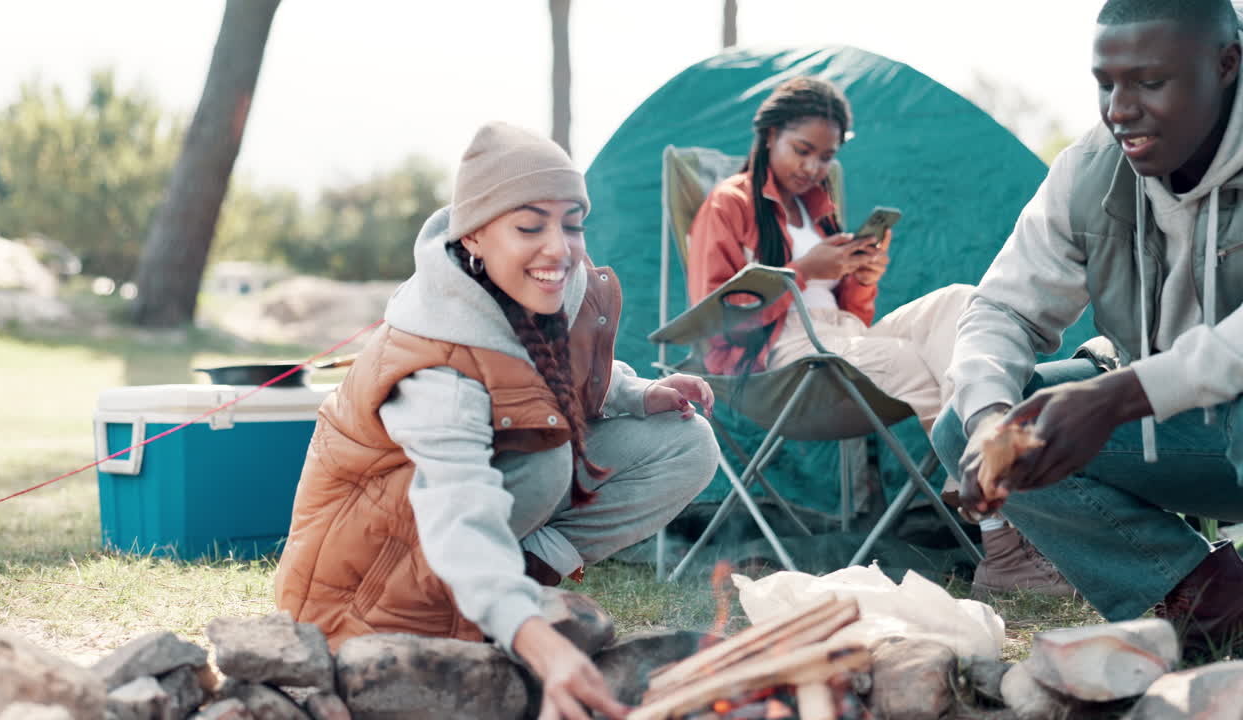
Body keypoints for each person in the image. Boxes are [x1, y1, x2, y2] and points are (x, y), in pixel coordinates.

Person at [274, 121, 720, 718]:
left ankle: (514, 579)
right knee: (543, 459)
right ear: (476, 236)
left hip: (472, 525)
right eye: (530, 226)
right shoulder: (435, 363)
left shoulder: (558, 285)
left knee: (685, 441)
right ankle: (499, 601)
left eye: (572, 223)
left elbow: (552, 376)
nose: (558, 247)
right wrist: (540, 642)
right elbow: (457, 512)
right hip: (369, 595)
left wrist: (639, 394)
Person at [934, 0, 1243, 654]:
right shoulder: (1092, 171)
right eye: (1106, 82)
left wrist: (1114, 397)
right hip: (1198, 437)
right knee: (979, 423)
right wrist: (991, 419)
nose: (1119, 108)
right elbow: (1000, 310)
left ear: (1225, 65)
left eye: (1149, 82)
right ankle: (1208, 601)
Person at [685, 76, 1070, 596]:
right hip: (779, 353)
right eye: (803, 151)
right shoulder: (728, 204)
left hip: (839, 339)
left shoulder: (817, 208)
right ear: (769, 135)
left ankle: (977, 477)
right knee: (918, 366)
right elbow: (716, 316)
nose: (814, 168)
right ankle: (1004, 543)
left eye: (826, 157)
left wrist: (860, 278)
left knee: (961, 304)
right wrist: (803, 270)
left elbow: (853, 318)